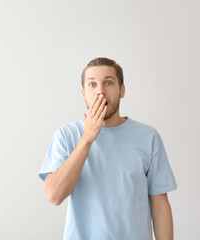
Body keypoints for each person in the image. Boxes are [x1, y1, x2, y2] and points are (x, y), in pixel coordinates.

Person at [39, 57, 177, 240]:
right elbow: (54, 195)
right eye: (92, 84)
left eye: (108, 83)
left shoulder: (148, 137)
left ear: (122, 90)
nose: (100, 92)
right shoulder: (66, 135)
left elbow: (160, 205)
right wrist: (86, 139)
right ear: (83, 93)